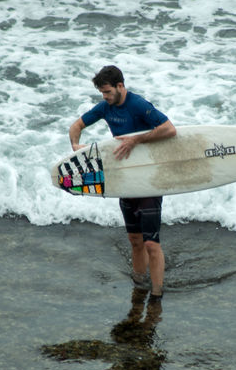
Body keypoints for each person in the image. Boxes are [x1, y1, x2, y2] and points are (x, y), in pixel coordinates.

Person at [69, 65, 176, 298]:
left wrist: (135, 140)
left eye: (107, 92)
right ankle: (140, 287)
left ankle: (157, 296)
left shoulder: (138, 105)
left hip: (148, 180)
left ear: (120, 86)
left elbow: (169, 129)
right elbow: (76, 126)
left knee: (151, 243)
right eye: (102, 94)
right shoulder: (106, 107)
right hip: (125, 180)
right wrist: (76, 148)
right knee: (135, 240)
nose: (105, 97)